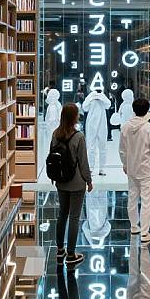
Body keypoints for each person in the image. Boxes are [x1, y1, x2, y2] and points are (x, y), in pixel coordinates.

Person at [51, 103, 93, 269]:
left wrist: (54, 176)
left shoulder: (56, 134)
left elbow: (51, 156)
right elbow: (83, 162)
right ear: (74, 117)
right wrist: (88, 180)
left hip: (61, 181)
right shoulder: (79, 137)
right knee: (74, 218)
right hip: (76, 183)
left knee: (62, 214)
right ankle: (71, 254)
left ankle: (60, 250)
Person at [119, 98, 150, 243]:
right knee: (147, 200)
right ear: (147, 110)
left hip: (131, 168)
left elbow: (122, 150)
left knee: (132, 197)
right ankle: (145, 233)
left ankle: (134, 226)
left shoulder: (125, 127)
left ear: (133, 109)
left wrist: (125, 164)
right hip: (146, 169)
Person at [82, 90, 111, 176]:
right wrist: (91, 98)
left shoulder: (103, 97)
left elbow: (108, 105)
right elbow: (85, 107)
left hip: (101, 124)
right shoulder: (90, 97)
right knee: (91, 147)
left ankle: (102, 168)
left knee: (103, 146)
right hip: (91, 124)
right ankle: (91, 168)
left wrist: (101, 97)